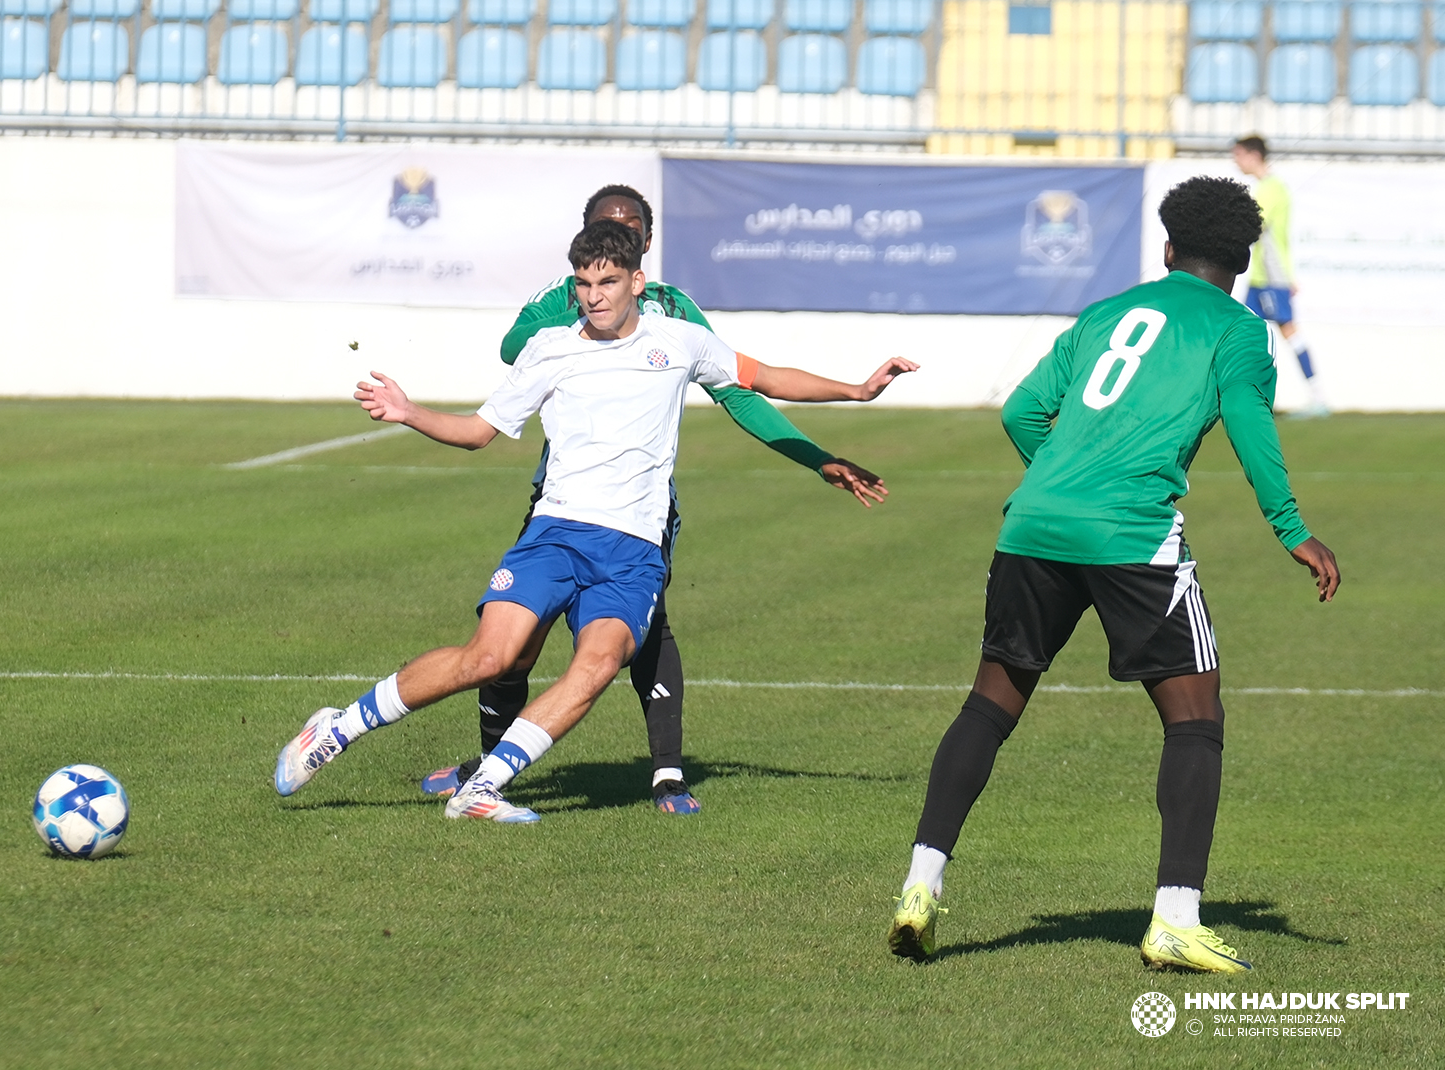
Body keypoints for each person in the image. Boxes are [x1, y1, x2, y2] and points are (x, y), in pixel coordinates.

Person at [275, 220, 916, 822]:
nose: (593, 296)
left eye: (607, 283)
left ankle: (483, 788)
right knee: (490, 657)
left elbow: (764, 377)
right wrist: (410, 411)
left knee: (599, 662)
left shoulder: (681, 340)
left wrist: (858, 391)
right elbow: (477, 432)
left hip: (635, 550)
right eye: (583, 284)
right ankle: (338, 727)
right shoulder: (549, 350)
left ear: (638, 282)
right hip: (555, 533)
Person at [887, 176, 1339, 972]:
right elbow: (1249, 424)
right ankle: (1175, 919)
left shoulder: (1104, 314)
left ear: (1167, 250)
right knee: (1196, 716)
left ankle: (919, 888)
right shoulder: (1239, 331)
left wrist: (1065, 479)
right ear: (1240, 262)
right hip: (1131, 535)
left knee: (992, 702)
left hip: (1034, 523)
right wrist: (1293, 531)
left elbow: (1019, 412)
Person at [420, 184, 889, 816]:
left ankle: (666, 772)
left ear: (646, 243)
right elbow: (514, 353)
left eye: (632, 227)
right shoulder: (563, 302)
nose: (619, 237)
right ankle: (491, 769)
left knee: (642, 630)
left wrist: (817, 455)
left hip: (637, 510)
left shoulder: (673, 313)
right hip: (559, 498)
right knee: (513, 645)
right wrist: (587, 317)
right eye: (604, 227)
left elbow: (742, 388)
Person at [1232, 135, 1329, 417]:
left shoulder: (1271, 188)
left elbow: (1256, 227)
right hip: (1261, 277)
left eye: (1238, 155)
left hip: (1272, 278)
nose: (1236, 161)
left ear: (1253, 155)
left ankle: (1318, 397)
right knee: (1241, 332)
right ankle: (1242, 394)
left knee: (1288, 332)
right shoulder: (1267, 187)